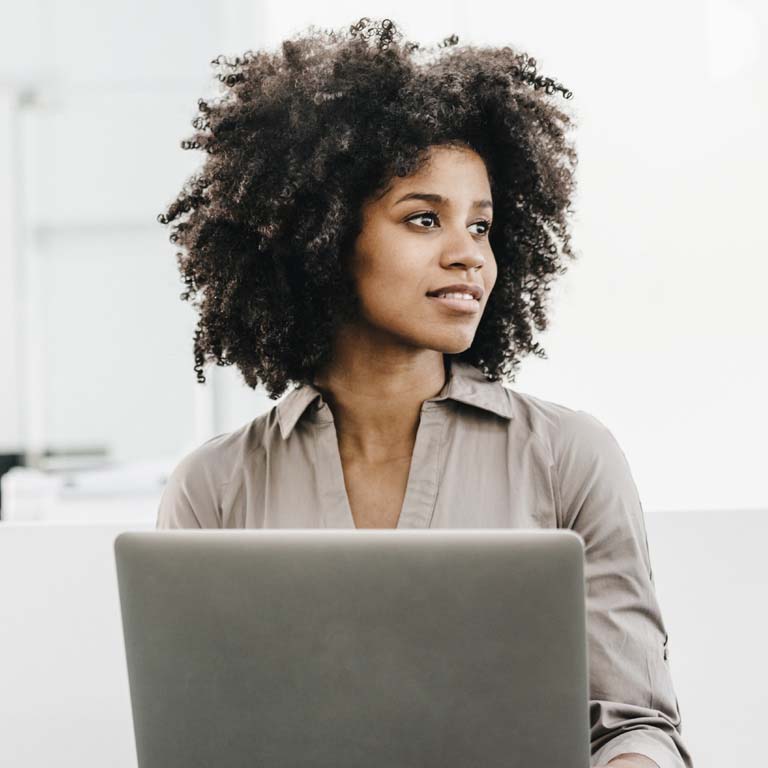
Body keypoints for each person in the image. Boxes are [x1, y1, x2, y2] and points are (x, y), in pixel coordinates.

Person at [156, 17, 693, 768]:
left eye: (481, 226)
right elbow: (197, 740)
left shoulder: (570, 458)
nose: (467, 254)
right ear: (323, 236)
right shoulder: (215, 489)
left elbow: (634, 725)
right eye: (423, 219)